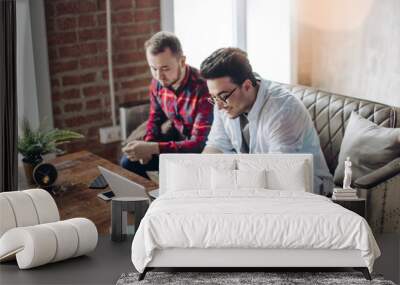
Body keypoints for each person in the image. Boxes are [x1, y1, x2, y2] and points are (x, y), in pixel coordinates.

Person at [200, 47, 333, 195]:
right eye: (213, 97)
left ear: (247, 85)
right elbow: (216, 146)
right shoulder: (223, 102)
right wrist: (201, 177)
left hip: (304, 189)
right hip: (258, 184)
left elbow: (279, 172)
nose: (218, 106)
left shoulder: (283, 111)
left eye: (223, 96)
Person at [120, 31, 213, 179]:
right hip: (174, 146)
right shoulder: (158, 83)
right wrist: (148, 146)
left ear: (182, 61)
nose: (158, 76)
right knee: (127, 162)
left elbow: (198, 144)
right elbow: (154, 118)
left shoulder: (205, 89)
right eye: (153, 68)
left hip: (200, 155)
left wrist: (153, 148)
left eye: (165, 68)